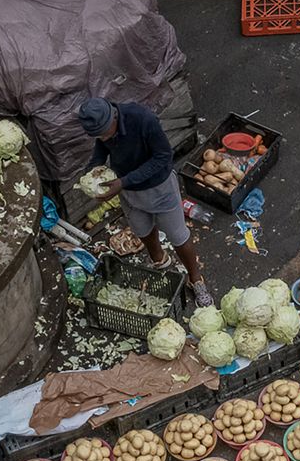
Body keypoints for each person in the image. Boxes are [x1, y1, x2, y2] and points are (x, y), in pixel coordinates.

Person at [78, 97, 213, 307]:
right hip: (129, 192)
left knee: (178, 236)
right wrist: (94, 171)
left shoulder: (143, 119)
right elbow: (101, 149)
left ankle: (196, 279)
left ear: (113, 116)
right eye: (98, 135)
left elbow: (163, 157)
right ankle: (160, 261)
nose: (103, 137)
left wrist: (124, 181)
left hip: (159, 189)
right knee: (142, 231)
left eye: (104, 132)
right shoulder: (104, 131)